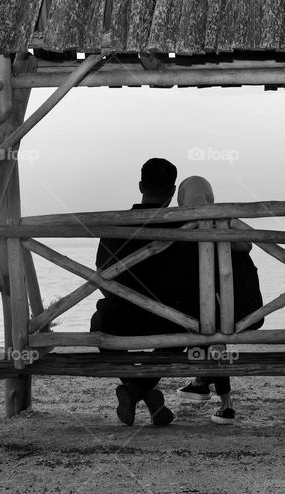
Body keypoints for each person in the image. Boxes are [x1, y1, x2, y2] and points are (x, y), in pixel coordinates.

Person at [90, 157, 185, 427]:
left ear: (141, 185)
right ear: (172, 191)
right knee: (190, 329)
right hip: (170, 321)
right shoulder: (183, 226)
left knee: (99, 323)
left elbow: (101, 277)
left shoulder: (115, 225)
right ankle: (142, 390)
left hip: (117, 320)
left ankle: (133, 388)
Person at [169, 176, 264, 425]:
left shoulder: (180, 235)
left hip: (213, 320)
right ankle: (203, 384)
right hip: (249, 314)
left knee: (208, 328)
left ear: (181, 200)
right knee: (210, 323)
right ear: (211, 198)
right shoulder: (233, 234)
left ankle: (220, 398)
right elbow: (253, 241)